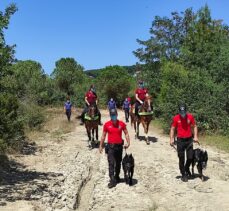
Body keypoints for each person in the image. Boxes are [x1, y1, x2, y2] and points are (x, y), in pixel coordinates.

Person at [99, 108, 130, 188]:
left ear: (117, 115)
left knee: (118, 163)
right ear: (110, 115)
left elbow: (126, 133)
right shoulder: (107, 124)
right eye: (112, 115)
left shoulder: (122, 124)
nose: (114, 116)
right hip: (111, 147)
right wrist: (101, 146)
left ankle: (117, 176)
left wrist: (128, 142)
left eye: (115, 115)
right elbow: (103, 136)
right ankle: (112, 180)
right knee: (111, 163)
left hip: (119, 147)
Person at [170, 103, 198, 182]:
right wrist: (171, 139)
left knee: (190, 157)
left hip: (189, 140)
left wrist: (195, 136)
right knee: (181, 158)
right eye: (181, 112)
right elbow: (172, 128)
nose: (183, 114)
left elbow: (194, 126)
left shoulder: (190, 117)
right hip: (180, 140)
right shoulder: (176, 118)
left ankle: (186, 168)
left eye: (184, 112)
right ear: (179, 111)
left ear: (186, 110)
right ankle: (183, 174)